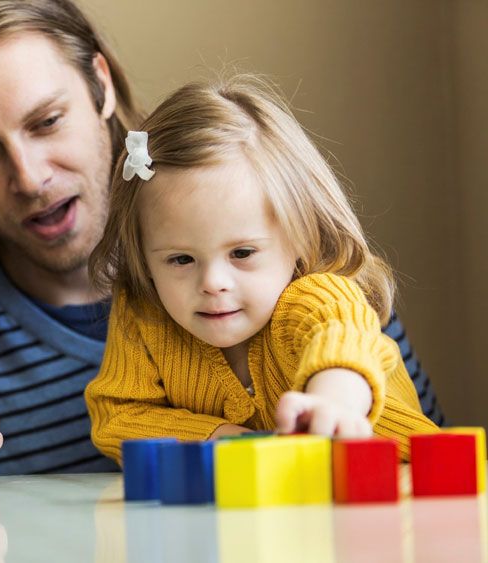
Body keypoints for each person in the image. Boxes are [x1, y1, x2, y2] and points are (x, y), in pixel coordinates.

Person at [0, 0, 443, 557]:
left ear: (100, 84)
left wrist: (336, 404)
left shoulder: (310, 277)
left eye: (46, 121)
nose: (31, 176)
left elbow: (427, 479)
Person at [85, 74, 439, 465]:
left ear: (301, 238)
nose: (213, 283)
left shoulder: (314, 296)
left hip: (405, 480)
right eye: (181, 259)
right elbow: (117, 415)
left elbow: (343, 342)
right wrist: (216, 439)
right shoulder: (144, 317)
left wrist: (333, 403)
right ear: (144, 258)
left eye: (242, 253)